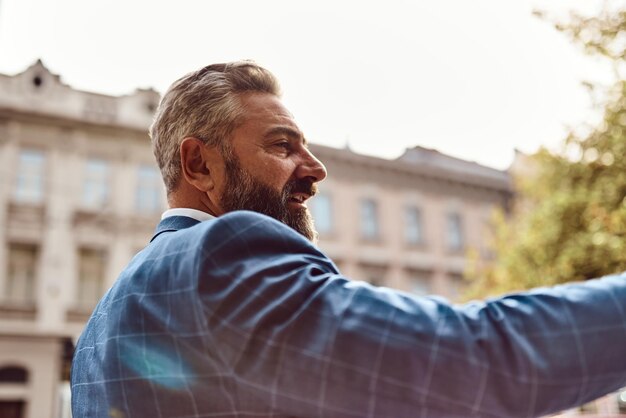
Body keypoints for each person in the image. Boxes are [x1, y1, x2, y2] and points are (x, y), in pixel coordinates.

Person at [71, 61, 626, 418]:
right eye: (283, 145)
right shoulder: (221, 258)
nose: (315, 170)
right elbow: (473, 359)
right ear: (199, 163)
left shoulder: (101, 326)